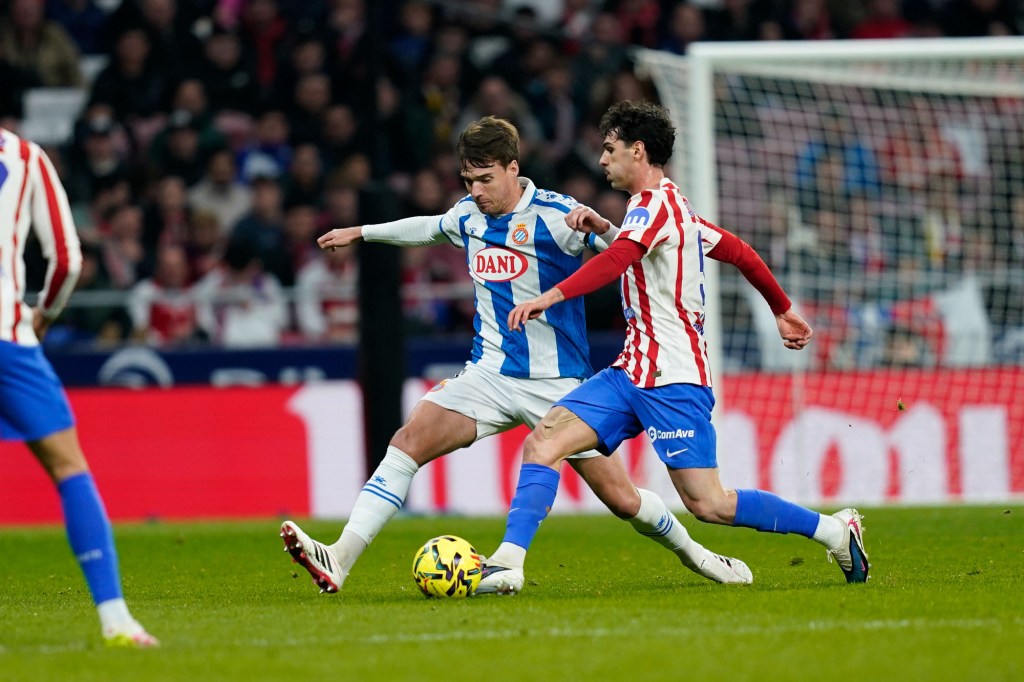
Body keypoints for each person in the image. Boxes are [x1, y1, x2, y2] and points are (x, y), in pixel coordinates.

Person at [281, 116, 753, 595]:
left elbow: (626, 249)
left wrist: (608, 232)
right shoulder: (467, 216)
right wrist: (362, 232)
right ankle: (339, 557)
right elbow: (426, 228)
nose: (477, 191)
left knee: (623, 499)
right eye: (469, 181)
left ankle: (696, 553)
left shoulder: (559, 215)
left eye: (486, 179)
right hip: (489, 375)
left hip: (559, 384)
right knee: (407, 442)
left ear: (513, 167)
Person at [482, 101, 870, 592]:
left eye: (609, 148)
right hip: (630, 372)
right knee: (543, 440)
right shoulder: (668, 207)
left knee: (709, 504)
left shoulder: (655, 206)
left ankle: (834, 530)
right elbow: (736, 250)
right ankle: (508, 563)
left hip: (674, 378)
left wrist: (552, 295)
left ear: (637, 150)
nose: (601, 160)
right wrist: (781, 307)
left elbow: (623, 257)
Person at [0, 126, 157, 646]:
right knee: (69, 469)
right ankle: (115, 618)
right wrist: (41, 317)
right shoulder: (26, 156)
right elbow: (67, 259)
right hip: (8, 336)